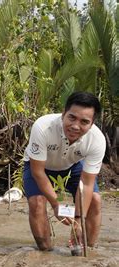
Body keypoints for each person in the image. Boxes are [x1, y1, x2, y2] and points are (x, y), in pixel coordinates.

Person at [23, 92, 106, 253]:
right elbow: (38, 172)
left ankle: (85, 249)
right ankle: (46, 252)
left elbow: (87, 183)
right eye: (72, 118)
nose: (75, 126)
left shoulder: (97, 140)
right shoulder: (42, 126)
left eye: (84, 122)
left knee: (95, 200)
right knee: (37, 202)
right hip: (41, 168)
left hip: (71, 167)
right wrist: (56, 204)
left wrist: (77, 219)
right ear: (63, 114)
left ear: (92, 123)